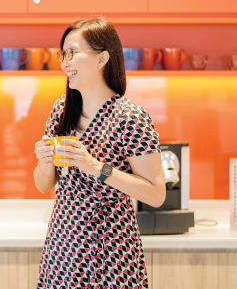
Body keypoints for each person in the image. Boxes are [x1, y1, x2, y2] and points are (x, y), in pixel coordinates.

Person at [34, 17, 165, 288]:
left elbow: (155, 194)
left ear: (102, 58)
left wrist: (95, 167)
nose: (64, 62)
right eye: (62, 54)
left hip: (112, 255)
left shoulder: (130, 117)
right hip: (63, 250)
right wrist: (45, 162)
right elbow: (43, 185)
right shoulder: (62, 110)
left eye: (72, 53)